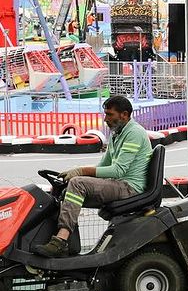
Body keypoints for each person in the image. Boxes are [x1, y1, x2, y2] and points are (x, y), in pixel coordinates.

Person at [35, 95, 153, 258]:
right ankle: (67, 244)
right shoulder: (117, 134)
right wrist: (72, 174)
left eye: (110, 115)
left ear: (124, 115)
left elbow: (118, 171)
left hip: (130, 188)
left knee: (78, 184)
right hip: (119, 185)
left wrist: (81, 172)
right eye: (105, 114)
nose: (105, 119)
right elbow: (103, 167)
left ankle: (60, 242)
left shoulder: (134, 133)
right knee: (66, 191)